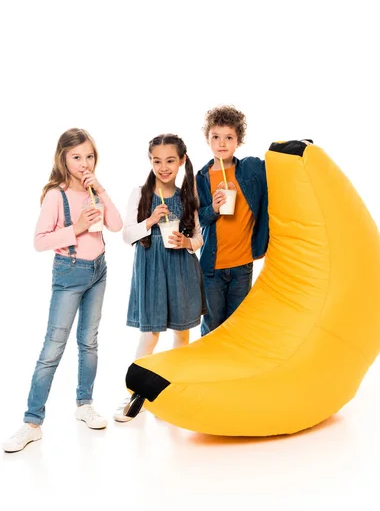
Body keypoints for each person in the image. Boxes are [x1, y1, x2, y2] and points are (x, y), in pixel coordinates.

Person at [2, 128, 123, 453]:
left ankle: (84, 404)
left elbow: (116, 225)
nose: (85, 163)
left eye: (89, 156)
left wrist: (101, 189)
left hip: (98, 269)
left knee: (89, 341)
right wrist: (77, 228)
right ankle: (31, 423)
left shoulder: (94, 191)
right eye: (77, 157)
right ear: (63, 159)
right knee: (52, 349)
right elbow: (39, 241)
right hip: (69, 273)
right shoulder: (56, 195)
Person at [113, 133, 206, 422]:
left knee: (182, 333)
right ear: (150, 161)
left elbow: (199, 237)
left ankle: (176, 390)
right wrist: (150, 221)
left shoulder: (187, 196)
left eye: (170, 161)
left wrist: (186, 242)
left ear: (181, 161)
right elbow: (127, 234)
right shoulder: (140, 193)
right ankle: (137, 396)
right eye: (157, 161)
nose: (163, 167)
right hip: (151, 270)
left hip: (181, 268)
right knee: (150, 334)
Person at [196, 105, 269, 336]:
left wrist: (299, 147)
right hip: (211, 267)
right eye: (215, 137)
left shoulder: (249, 170)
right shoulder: (202, 177)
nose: (222, 143)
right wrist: (214, 208)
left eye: (229, 137)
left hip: (242, 264)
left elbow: (276, 164)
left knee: (238, 326)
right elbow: (199, 219)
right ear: (207, 139)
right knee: (212, 326)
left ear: (238, 140)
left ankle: (232, 372)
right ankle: (209, 370)